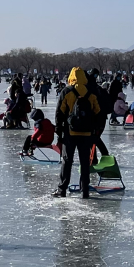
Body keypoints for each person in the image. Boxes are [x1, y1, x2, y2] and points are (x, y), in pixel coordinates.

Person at [55, 67, 103, 198]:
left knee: (67, 161)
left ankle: (62, 189)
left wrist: (59, 131)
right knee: (84, 162)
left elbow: (60, 112)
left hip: (70, 133)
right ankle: (85, 190)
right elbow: (98, 112)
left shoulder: (67, 91)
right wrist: (95, 130)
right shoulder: (91, 92)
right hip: (86, 134)